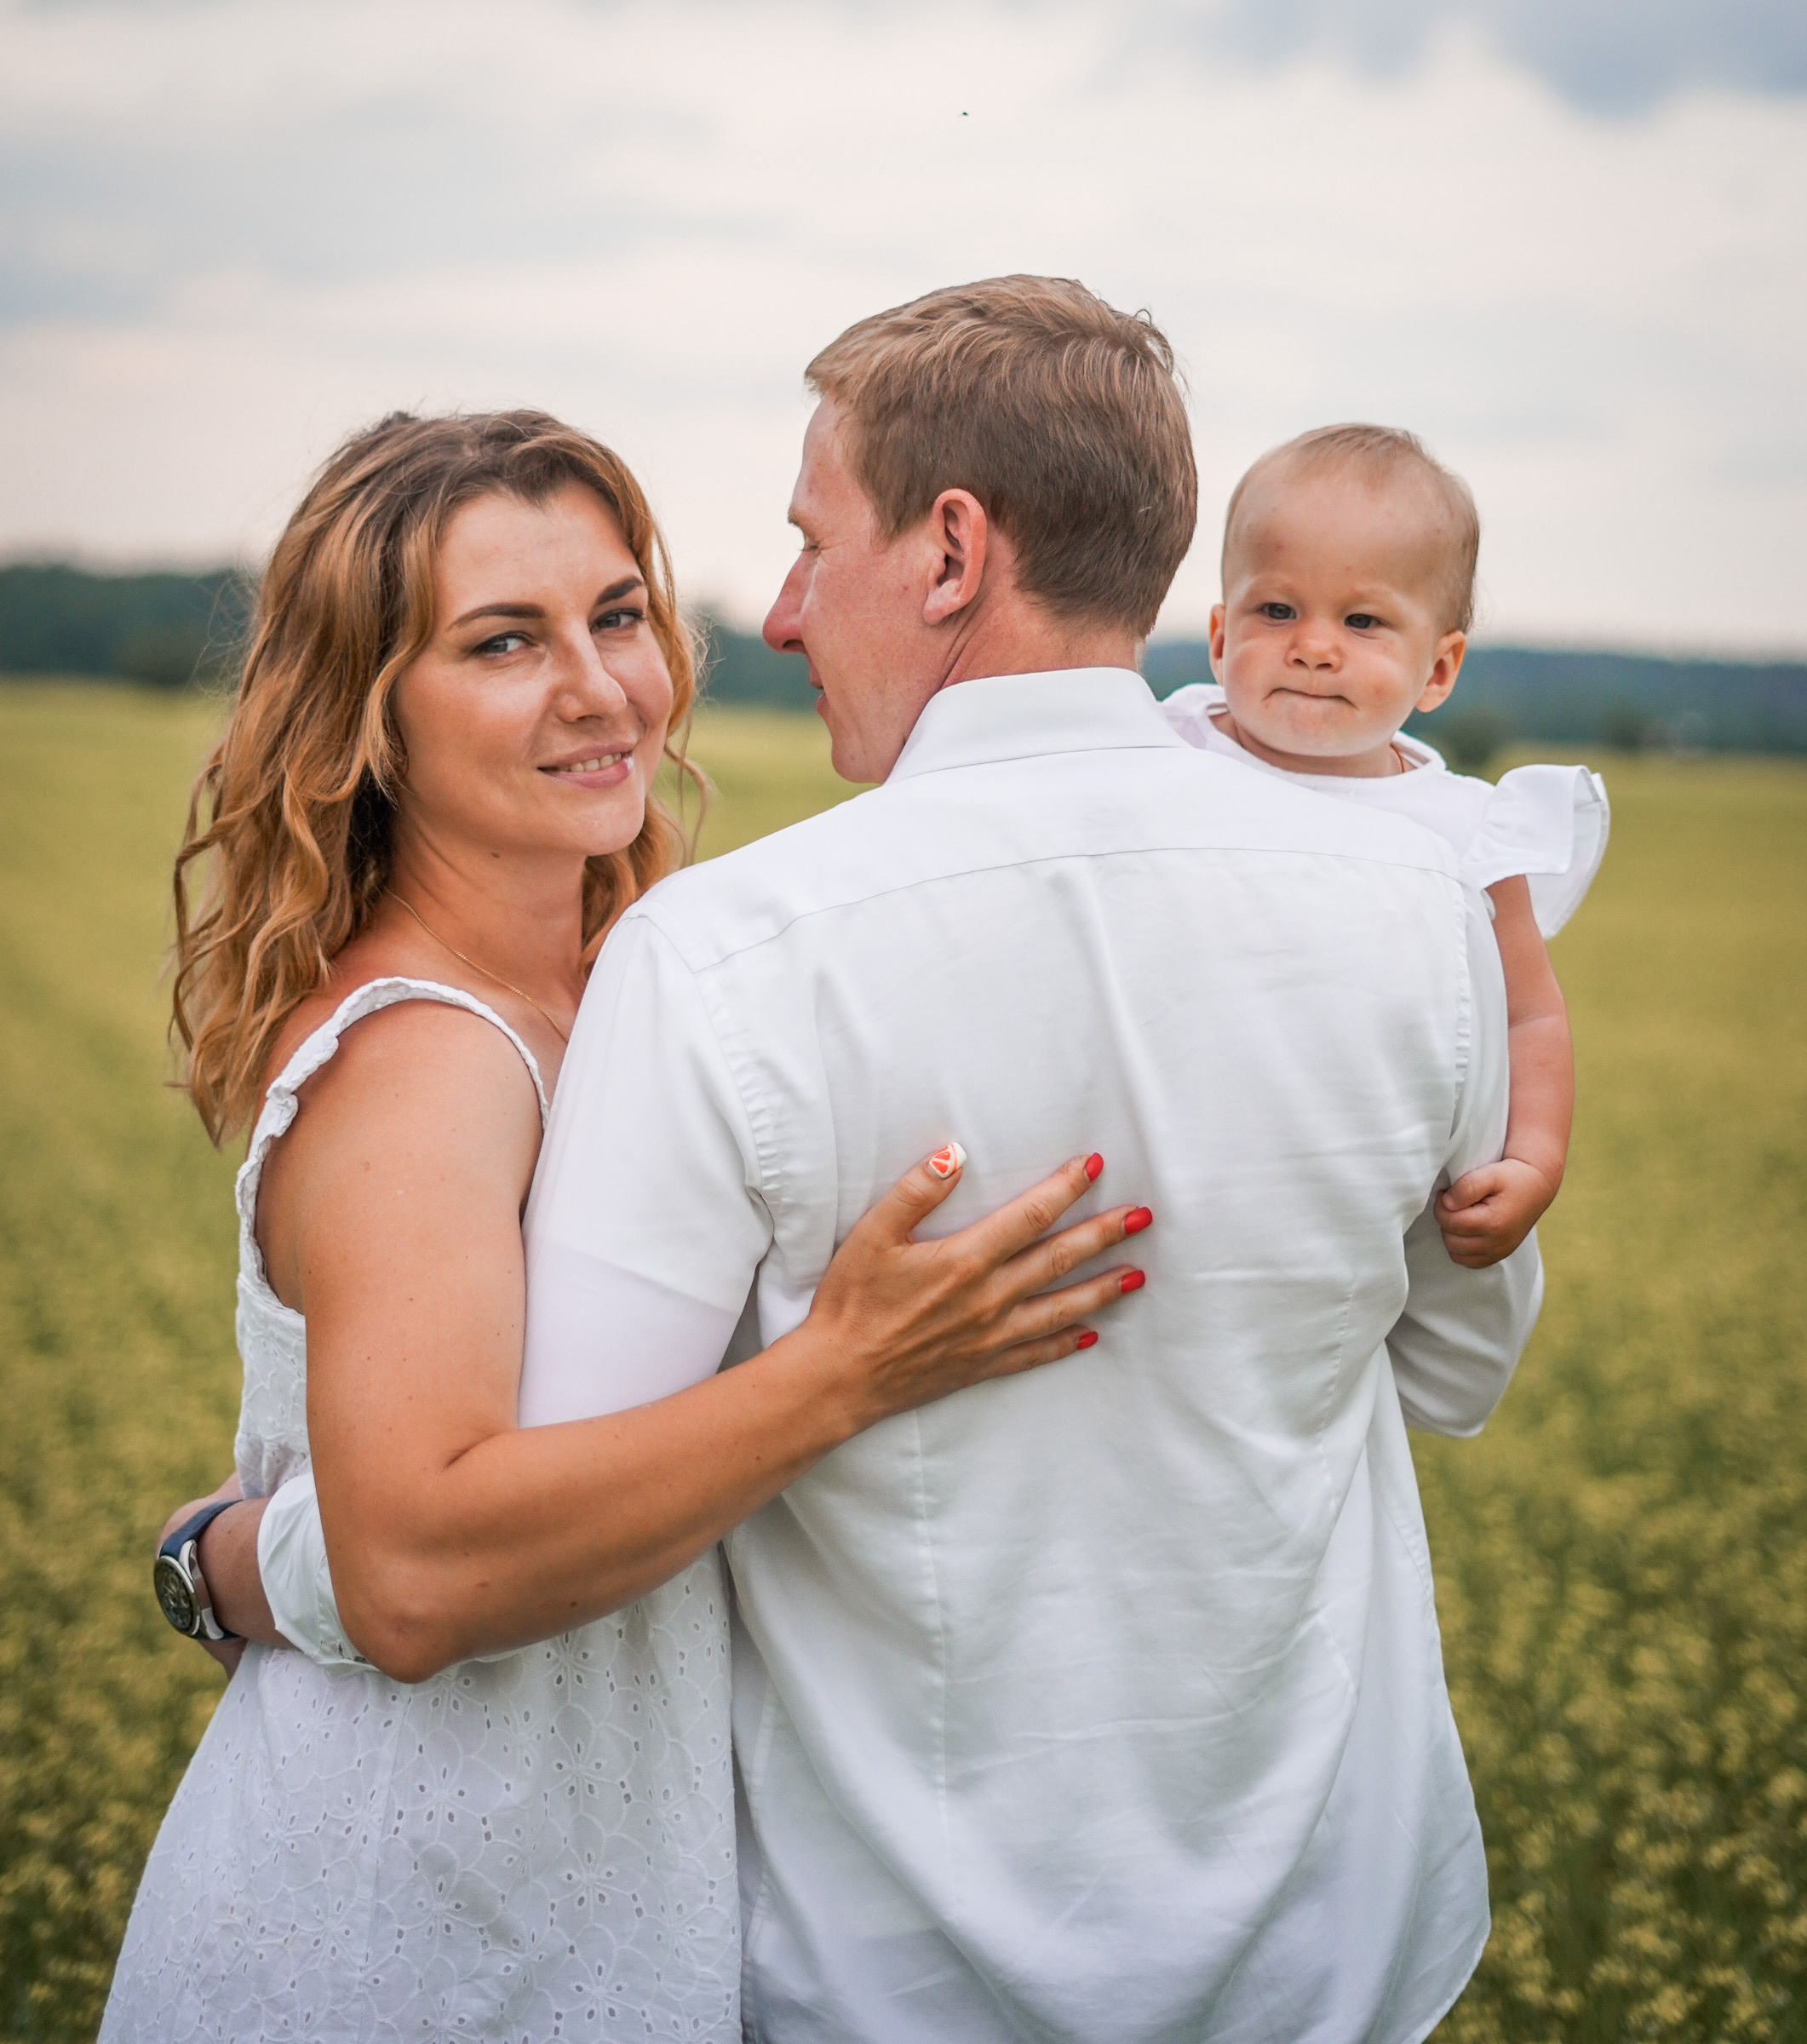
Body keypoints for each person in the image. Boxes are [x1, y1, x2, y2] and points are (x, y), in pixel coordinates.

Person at [251, 278, 1545, 2042]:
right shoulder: (1431, 912)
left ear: (948, 554)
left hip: (896, 1975)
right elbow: (1458, 1370)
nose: (774, 615)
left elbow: (519, 1529)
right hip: (1332, 1949)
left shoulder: (722, 957)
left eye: (809, 539)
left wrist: (232, 1561)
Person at [103, 407, 1148, 2043]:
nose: (598, 689)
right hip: (406, 1936)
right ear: (371, 716)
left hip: (589, 1902)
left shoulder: (640, 982)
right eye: (504, 643)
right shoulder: (427, 1059)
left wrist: (224, 1562)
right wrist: (846, 1372)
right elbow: (417, 1573)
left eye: (616, 617)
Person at [1161, 424, 1609, 1267]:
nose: (1315, 646)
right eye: (1277, 609)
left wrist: (1533, 1162)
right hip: (1175, 1140)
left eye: (1363, 621)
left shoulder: (1459, 829)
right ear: (1220, 637)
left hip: (1337, 1180)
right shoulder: (1169, 747)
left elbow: (1529, 1012)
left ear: (1438, 671)